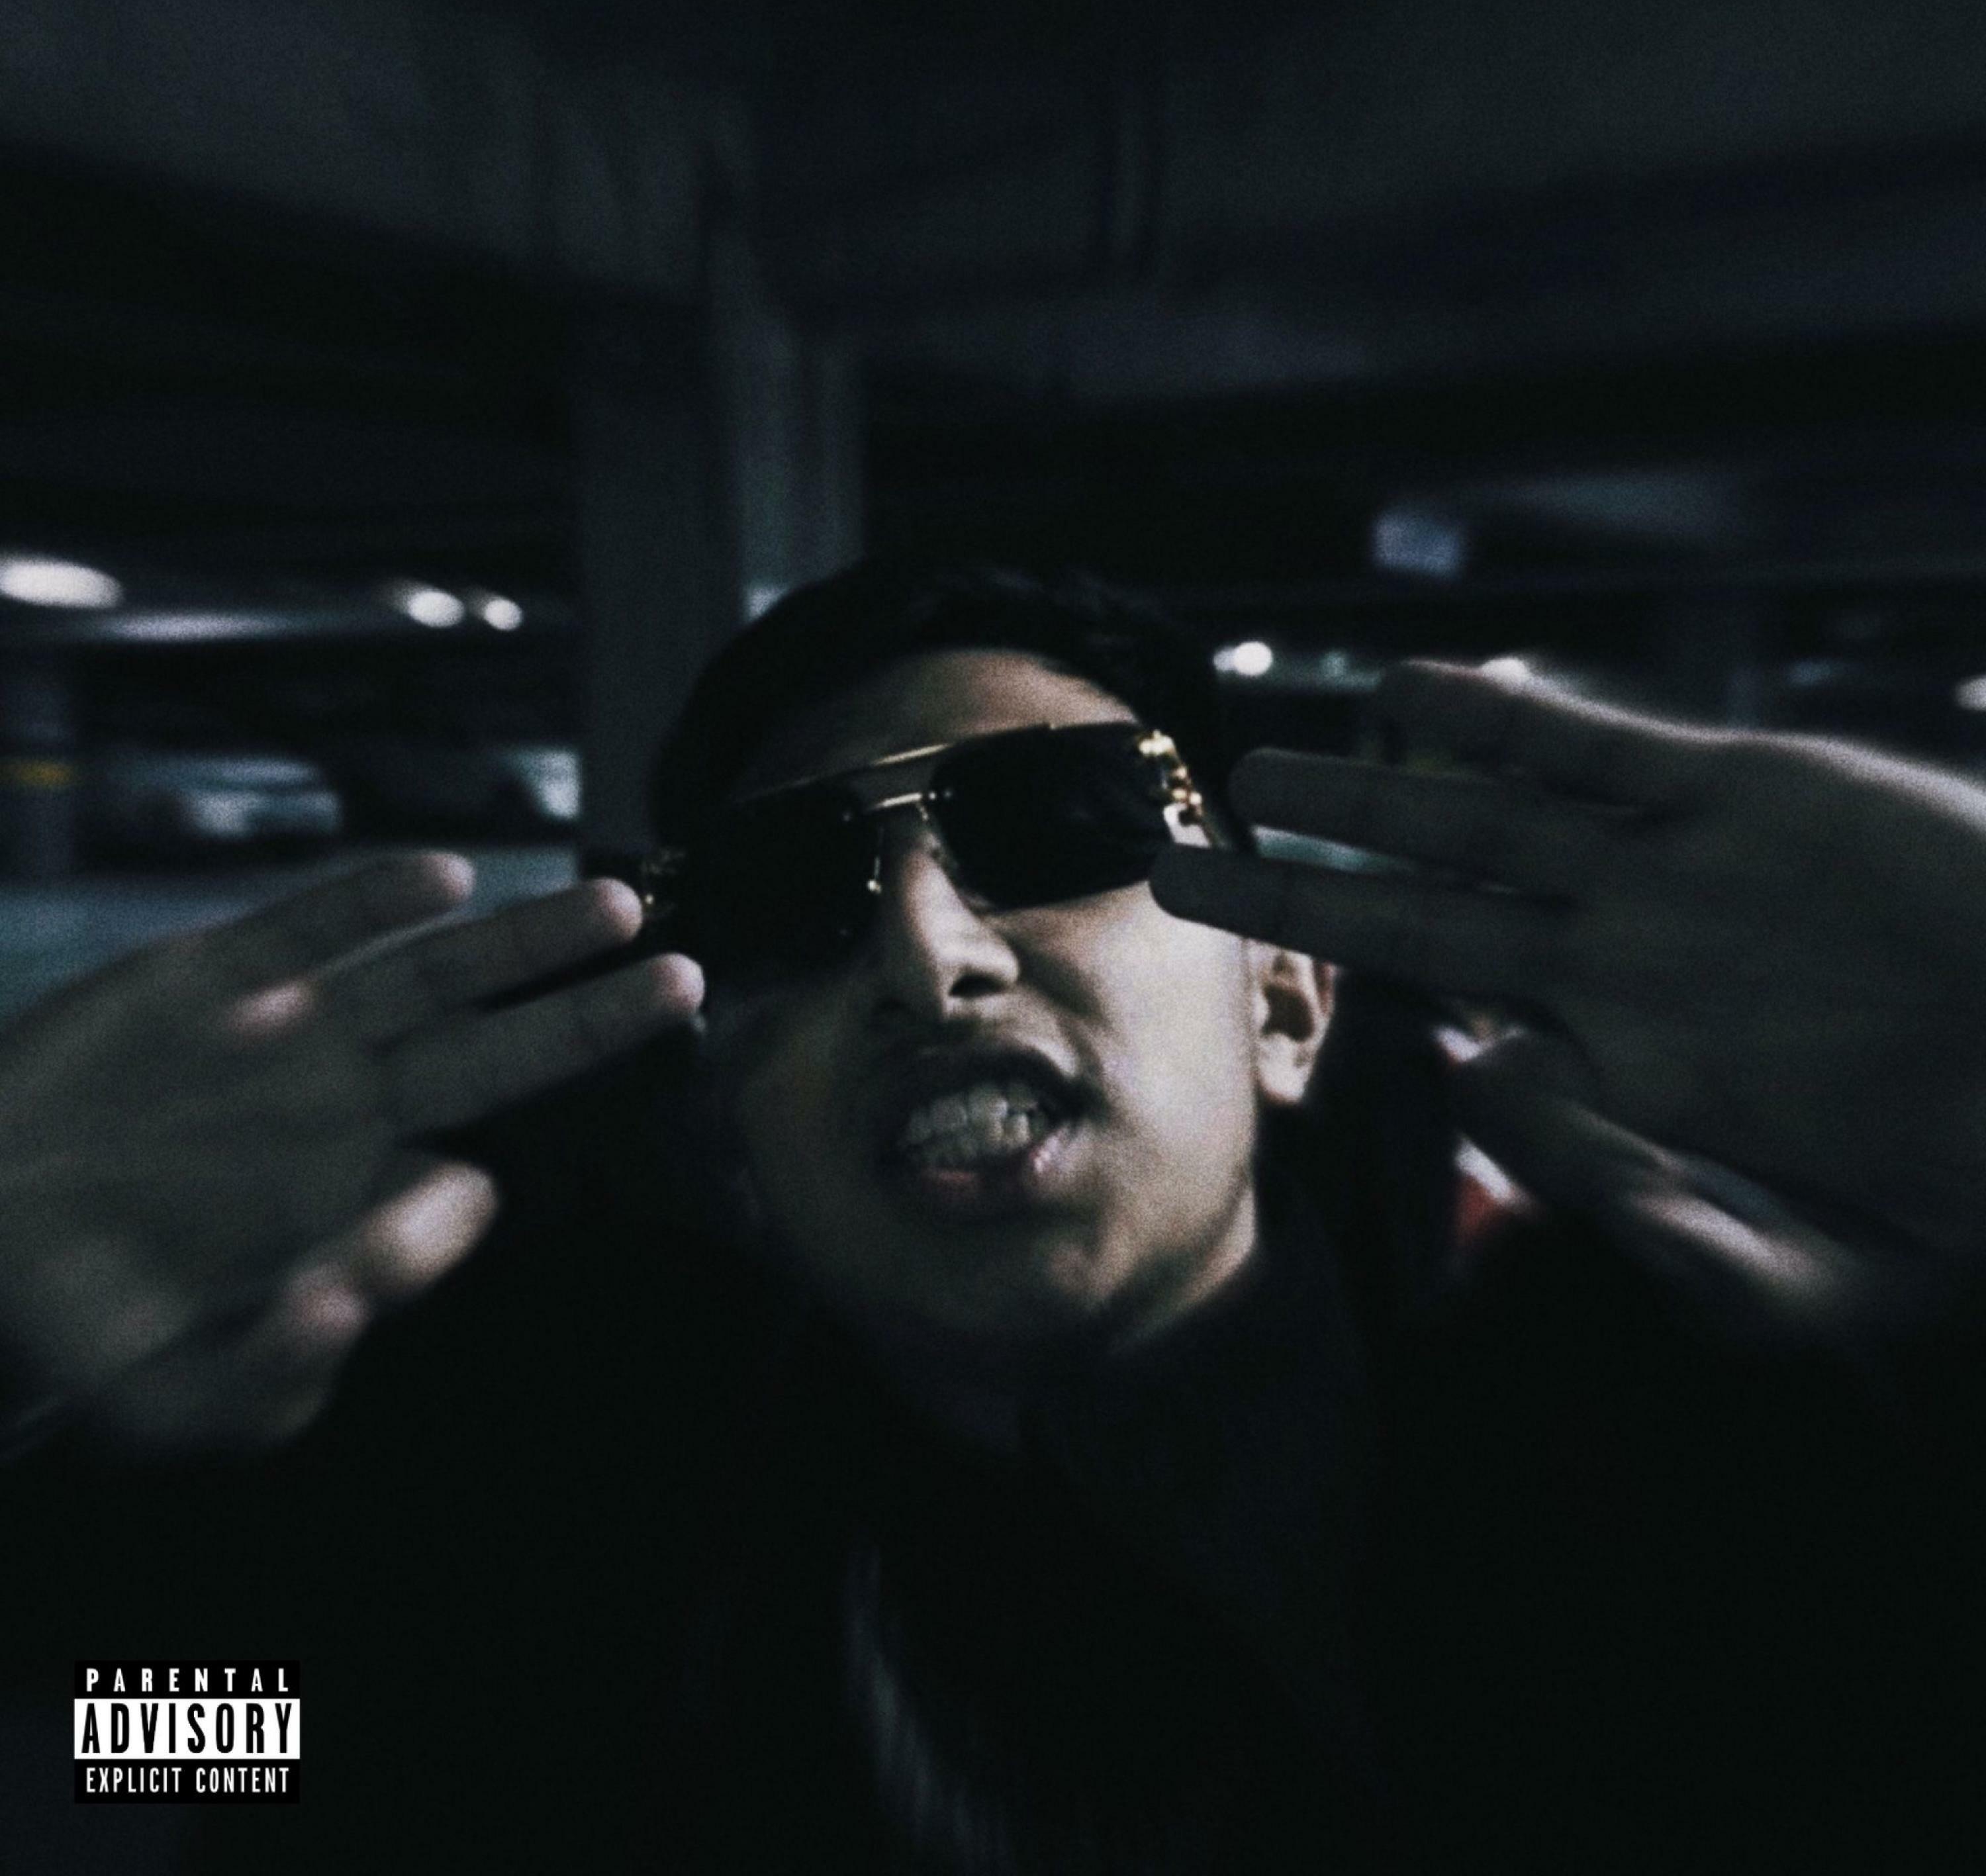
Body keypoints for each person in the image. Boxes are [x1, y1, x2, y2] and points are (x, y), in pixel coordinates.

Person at [4, 561, 1986, 1872]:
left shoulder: (1731, 1441)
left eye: (1054, 825)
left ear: (1288, 1006)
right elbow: (135, 1756)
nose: (927, 948)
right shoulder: (556, 1553)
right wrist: (83, 1469)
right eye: (791, 899)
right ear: (724, 1129)